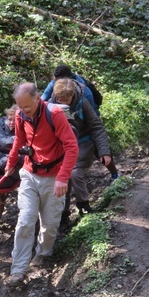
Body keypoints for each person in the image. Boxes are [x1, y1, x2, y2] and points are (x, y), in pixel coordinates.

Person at [3, 82, 79, 287]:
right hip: (29, 173)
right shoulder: (20, 115)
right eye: (20, 107)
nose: (24, 111)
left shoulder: (54, 115)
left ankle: (44, 253)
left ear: (38, 99)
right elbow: (18, 141)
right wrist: (11, 163)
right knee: (26, 220)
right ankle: (17, 271)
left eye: (27, 106)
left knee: (50, 224)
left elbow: (72, 147)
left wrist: (63, 177)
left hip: (54, 176)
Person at [42, 64, 119, 180]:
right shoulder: (55, 86)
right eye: (56, 79)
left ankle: (114, 173)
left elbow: (93, 121)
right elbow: (43, 100)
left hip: (86, 116)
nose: (57, 81)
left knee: (99, 146)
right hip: (66, 117)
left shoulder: (85, 93)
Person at [49, 78, 112, 216]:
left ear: (72, 96)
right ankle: (63, 213)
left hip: (82, 142)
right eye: (60, 99)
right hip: (62, 144)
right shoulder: (50, 104)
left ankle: (83, 204)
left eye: (66, 100)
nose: (62, 103)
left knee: (75, 173)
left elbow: (96, 127)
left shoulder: (83, 103)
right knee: (62, 176)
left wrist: (104, 151)